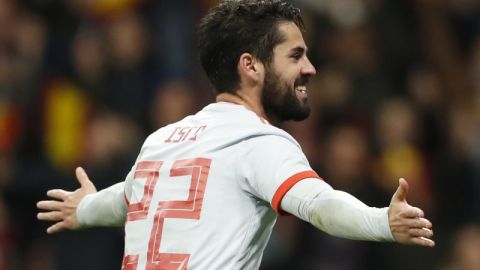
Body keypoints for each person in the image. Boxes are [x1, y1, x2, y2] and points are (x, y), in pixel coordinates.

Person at [37, 1, 435, 269]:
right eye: (295, 55)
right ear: (251, 66)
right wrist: (381, 222)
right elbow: (318, 204)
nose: (311, 68)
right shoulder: (258, 143)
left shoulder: (160, 143)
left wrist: (84, 209)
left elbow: (127, 198)